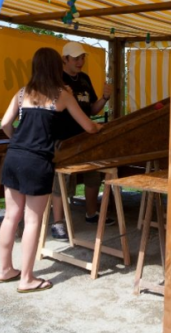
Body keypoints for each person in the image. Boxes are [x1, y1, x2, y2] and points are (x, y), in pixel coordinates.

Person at [0, 47, 102, 293]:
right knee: (32, 220)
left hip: (14, 157)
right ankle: (27, 279)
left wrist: (18, 141)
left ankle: (5, 270)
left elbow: (4, 123)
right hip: (38, 162)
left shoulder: (22, 93)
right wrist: (98, 130)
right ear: (56, 67)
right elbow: (88, 126)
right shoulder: (61, 94)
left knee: (11, 216)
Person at [50, 41, 114, 241]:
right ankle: (57, 223)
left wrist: (105, 98)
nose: (80, 61)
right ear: (64, 59)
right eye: (76, 58)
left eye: (82, 57)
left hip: (86, 136)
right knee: (61, 179)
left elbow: (92, 110)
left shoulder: (85, 79)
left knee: (93, 174)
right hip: (62, 139)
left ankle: (91, 214)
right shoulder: (56, 80)